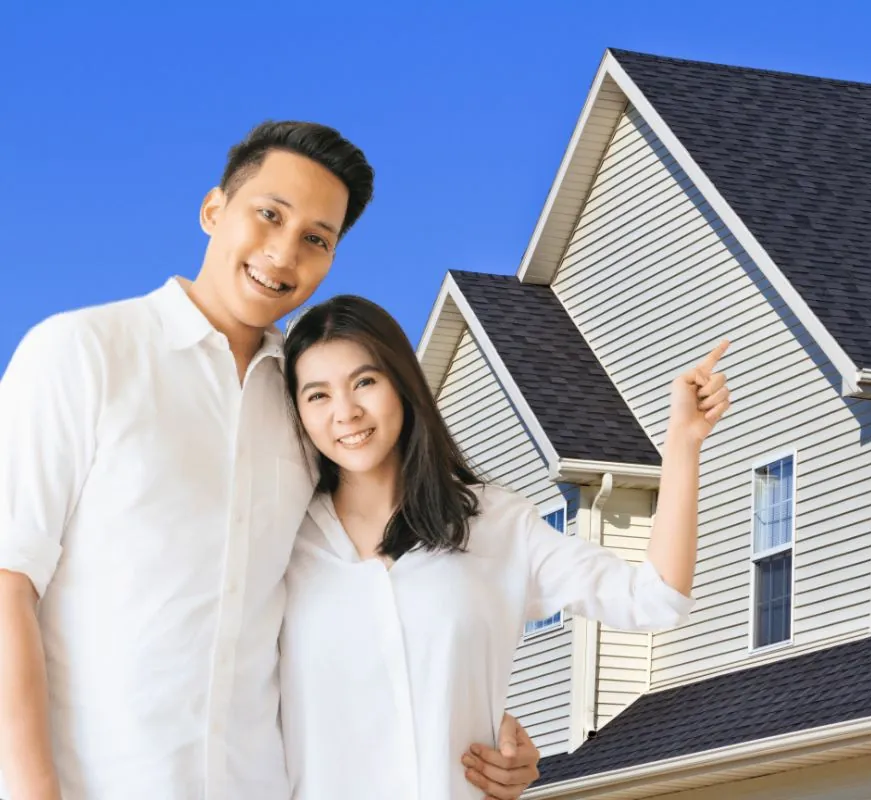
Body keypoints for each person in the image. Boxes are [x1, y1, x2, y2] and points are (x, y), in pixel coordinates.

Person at [0, 121, 540, 799]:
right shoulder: (83, 354)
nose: (283, 254)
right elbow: (8, 584)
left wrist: (478, 716)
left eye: (316, 238)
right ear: (213, 210)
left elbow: (371, 591)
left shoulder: (311, 406)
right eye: (268, 215)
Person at [278, 294, 732, 799]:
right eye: (317, 395)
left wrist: (682, 445)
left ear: (402, 385)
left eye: (365, 381)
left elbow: (658, 597)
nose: (346, 412)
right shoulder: (279, 542)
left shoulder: (494, 523)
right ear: (297, 411)